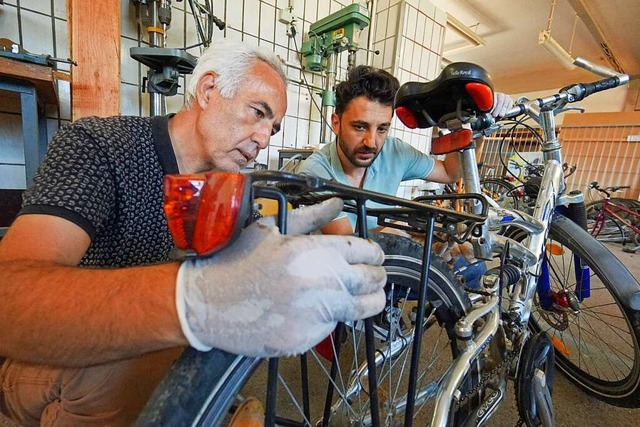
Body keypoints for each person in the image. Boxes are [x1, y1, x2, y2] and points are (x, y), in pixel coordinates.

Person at [0, 40, 387, 426]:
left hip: (149, 367)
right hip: (50, 360)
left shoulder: (228, 190)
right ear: (207, 90)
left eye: (273, 126)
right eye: (257, 113)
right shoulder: (100, 148)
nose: (264, 138)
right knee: (133, 369)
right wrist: (192, 297)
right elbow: (9, 299)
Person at [298, 65, 513, 288]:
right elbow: (350, 246)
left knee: (471, 267)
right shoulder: (316, 172)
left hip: (386, 258)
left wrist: (476, 127)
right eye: (360, 127)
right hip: (340, 275)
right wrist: (406, 230)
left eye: (382, 129)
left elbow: (450, 172)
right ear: (336, 123)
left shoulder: (394, 151)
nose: (371, 142)